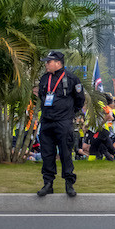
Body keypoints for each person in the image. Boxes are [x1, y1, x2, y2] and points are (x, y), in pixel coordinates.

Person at [36, 51, 85, 198]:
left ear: (58, 63)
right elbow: (41, 96)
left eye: (48, 62)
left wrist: (69, 113)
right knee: (47, 154)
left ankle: (69, 183)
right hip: (47, 121)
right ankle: (48, 184)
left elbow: (79, 99)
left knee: (65, 153)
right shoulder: (44, 79)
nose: (46, 64)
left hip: (63, 122)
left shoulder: (71, 79)